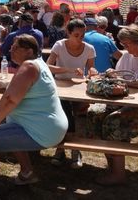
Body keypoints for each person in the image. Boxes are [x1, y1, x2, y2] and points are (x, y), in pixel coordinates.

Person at [0, 35, 68, 200]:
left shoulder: (28, 66)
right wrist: (5, 86)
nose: (11, 50)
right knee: (9, 125)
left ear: (29, 51)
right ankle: (27, 172)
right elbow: (23, 88)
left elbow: (10, 100)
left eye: (15, 47)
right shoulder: (37, 64)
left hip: (43, 131)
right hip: (49, 127)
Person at [87, 25, 138, 185]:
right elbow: (119, 81)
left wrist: (135, 83)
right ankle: (113, 164)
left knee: (114, 121)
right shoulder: (125, 57)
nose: (124, 47)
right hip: (123, 104)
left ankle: (118, 174)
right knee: (94, 113)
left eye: (127, 43)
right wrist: (111, 75)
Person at [46, 18, 97, 169]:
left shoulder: (89, 48)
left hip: (78, 87)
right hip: (61, 86)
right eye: (76, 35)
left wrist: (92, 73)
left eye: (82, 35)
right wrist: (68, 70)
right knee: (66, 115)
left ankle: (62, 149)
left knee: (73, 116)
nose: (80, 38)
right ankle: (71, 150)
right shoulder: (60, 45)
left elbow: (91, 71)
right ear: (68, 33)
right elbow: (48, 66)